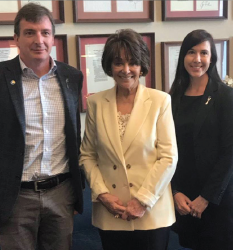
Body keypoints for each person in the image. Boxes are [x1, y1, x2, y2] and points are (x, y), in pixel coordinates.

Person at [0, 3, 83, 250]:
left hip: (61, 193)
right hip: (14, 196)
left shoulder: (72, 77)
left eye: (45, 32)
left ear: (53, 37)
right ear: (16, 38)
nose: (39, 40)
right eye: (30, 32)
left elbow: (74, 138)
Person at [80, 29, 178, 250]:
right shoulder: (96, 103)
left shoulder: (160, 101)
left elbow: (168, 157)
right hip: (111, 211)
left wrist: (142, 201)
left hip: (152, 211)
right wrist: (103, 195)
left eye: (132, 62)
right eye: (118, 63)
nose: (126, 70)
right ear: (109, 66)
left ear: (142, 65)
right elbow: (87, 155)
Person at [170, 29, 233, 250]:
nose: (197, 59)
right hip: (184, 200)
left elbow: (229, 152)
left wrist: (205, 197)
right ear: (183, 57)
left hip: (217, 200)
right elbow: (168, 150)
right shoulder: (173, 97)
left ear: (212, 58)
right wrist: (175, 191)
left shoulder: (225, 96)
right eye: (191, 52)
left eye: (204, 53)